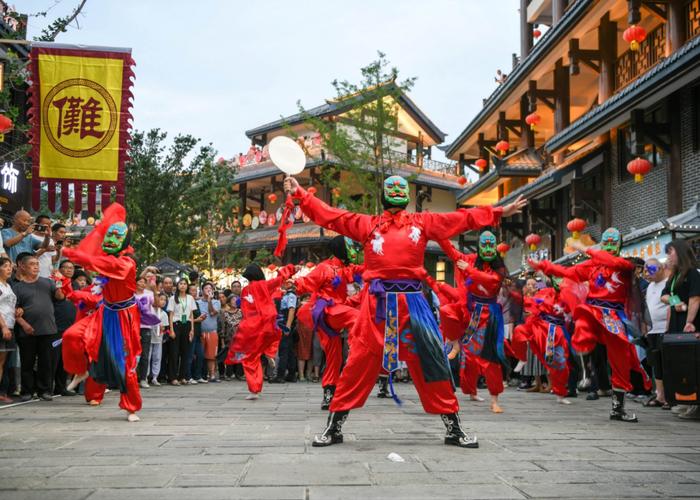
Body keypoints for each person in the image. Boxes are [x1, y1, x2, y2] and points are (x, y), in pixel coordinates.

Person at [284, 174, 526, 448]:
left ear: (407, 196)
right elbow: (331, 216)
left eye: (402, 187)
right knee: (358, 363)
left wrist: (495, 212)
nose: (397, 190)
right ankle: (334, 426)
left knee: (432, 362)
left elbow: (457, 220)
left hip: (414, 306)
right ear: (384, 195)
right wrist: (301, 193)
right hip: (377, 305)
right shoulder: (368, 224)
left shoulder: (422, 223)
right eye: (392, 187)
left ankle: (453, 428)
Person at [529, 229, 651, 423]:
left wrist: (586, 249)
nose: (610, 245)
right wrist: (544, 266)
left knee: (621, 360)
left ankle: (617, 408)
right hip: (593, 311)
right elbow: (569, 273)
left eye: (613, 242)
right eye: (606, 242)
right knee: (583, 324)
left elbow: (612, 262)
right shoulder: (593, 265)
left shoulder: (625, 264)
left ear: (619, 245)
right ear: (602, 244)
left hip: (614, 317)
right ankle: (585, 371)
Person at [60, 204, 143, 421]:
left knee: (125, 362)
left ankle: (131, 406)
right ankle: (81, 370)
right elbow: (95, 272)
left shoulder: (127, 263)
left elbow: (100, 263)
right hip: (104, 312)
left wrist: (75, 255)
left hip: (124, 316)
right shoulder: (105, 266)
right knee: (72, 336)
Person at [437, 234, 508, 414]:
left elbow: (491, 281)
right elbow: (452, 252)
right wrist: (440, 235)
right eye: (484, 243)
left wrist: (469, 270)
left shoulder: (499, 268)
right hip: (472, 312)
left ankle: (494, 399)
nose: (487, 247)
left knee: (491, 359)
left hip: (490, 315)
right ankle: (471, 390)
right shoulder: (471, 260)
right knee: (469, 356)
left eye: (491, 244)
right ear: (478, 245)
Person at [294, 236, 362, 408]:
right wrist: (293, 283)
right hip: (327, 311)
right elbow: (306, 283)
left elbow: (365, 270)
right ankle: (356, 352)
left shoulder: (347, 268)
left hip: (338, 311)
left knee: (334, 357)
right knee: (356, 317)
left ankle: (328, 395)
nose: (354, 250)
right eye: (350, 247)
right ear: (342, 249)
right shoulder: (325, 268)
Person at [225, 263, 295, 399]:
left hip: (251, 327)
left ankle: (254, 389)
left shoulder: (245, 290)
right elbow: (279, 279)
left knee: (249, 359)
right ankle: (269, 352)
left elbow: (244, 309)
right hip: (266, 323)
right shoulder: (264, 285)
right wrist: (291, 269)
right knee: (269, 340)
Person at [512, 276, 573, 405]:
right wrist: (526, 297)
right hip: (542, 327)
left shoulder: (569, 296)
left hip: (559, 332)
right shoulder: (544, 293)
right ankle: (522, 357)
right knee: (519, 332)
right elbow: (532, 304)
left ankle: (560, 393)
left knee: (561, 363)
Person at [12, 253, 64, 401]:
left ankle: (45, 390)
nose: (36, 266)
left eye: (37, 264)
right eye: (32, 264)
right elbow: (13, 310)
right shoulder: (17, 287)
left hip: (48, 329)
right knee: (27, 362)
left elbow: (60, 297)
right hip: (27, 330)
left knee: (46, 362)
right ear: (22, 266)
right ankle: (27, 391)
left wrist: (59, 282)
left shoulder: (48, 283)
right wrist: (24, 324)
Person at [661, 239, 700, 420]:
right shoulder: (674, 276)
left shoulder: (693, 274)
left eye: (670, 252)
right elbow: (665, 296)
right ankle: (685, 401)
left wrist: (690, 320)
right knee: (681, 365)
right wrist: (676, 302)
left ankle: (695, 405)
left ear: (680, 253)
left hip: (690, 326)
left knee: (693, 365)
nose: (668, 256)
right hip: (676, 326)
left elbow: (695, 299)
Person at [642, 258, 669, 408]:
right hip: (652, 330)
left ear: (661, 268)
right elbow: (647, 307)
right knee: (656, 364)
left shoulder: (668, 283)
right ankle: (660, 395)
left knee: (667, 364)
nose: (647, 273)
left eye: (651, 269)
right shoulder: (650, 286)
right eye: (646, 270)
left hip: (665, 329)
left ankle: (669, 396)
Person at [52, 259, 78, 396]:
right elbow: (60, 296)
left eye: (71, 268)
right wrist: (59, 282)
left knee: (65, 358)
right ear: (60, 269)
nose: (69, 270)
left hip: (72, 326)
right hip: (57, 326)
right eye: (66, 267)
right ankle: (46, 388)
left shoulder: (75, 284)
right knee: (54, 358)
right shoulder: (55, 282)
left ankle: (61, 387)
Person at [167, 279, 196, 385]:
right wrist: (171, 329)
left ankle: (182, 376)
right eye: (181, 284)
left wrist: (192, 329)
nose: (183, 286)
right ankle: (173, 377)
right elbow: (171, 315)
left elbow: (192, 314)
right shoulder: (172, 298)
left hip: (187, 325)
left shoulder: (190, 298)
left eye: (185, 284)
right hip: (176, 324)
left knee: (186, 352)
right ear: (177, 285)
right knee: (174, 352)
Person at [272, 279, 298, 383]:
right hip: (283, 323)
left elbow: (291, 310)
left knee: (284, 350)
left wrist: (287, 327)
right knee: (289, 350)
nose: (285, 284)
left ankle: (280, 375)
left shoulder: (291, 295)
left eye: (289, 283)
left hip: (285, 324)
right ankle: (291, 374)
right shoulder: (285, 294)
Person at [0, 256, 16, 403]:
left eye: (10, 266)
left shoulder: (8, 285)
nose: (9, 269)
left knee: (4, 363)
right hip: (2, 326)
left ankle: (2, 391)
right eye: (5, 266)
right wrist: (4, 326)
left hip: (10, 325)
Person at [198, 282, 221, 383]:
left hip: (212, 331)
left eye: (210, 288)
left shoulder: (216, 302)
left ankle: (212, 374)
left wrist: (209, 301)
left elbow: (212, 313)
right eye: (206, 288)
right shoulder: (197, 302)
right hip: (200, 332)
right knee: (200, 355)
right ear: (202, 290)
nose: (208, 290)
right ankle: (201, 375)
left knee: (211, 355)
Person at [149, 293, 168, 386]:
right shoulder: (149, 310)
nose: (163, 301)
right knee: (147, 357)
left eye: (164, 300)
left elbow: (164, 327)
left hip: (158, 337)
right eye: (161, 299)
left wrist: (162, 328)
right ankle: (145, 376)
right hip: (149, 337)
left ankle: (155, 377)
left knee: (157, 357)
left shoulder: (164, 314)